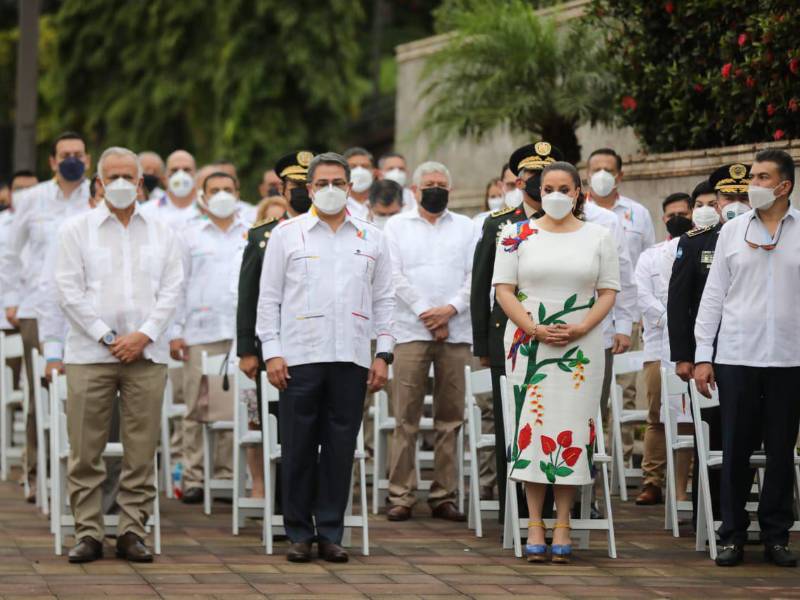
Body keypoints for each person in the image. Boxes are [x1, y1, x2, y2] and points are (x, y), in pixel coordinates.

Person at [256, 152, 394, 563]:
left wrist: (383, 352)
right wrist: (272, 353)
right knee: (297, 447)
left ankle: (331, 531)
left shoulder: (372, 237)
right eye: (322, 184)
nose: (330, 190)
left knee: (339, 448)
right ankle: (298, 532)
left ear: (350, 188)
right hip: (299, 356)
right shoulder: (287, 235)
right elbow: (269, 299)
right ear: (309, 189)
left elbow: (385, 301)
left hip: (351, 357)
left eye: (338, 182)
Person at [54, 146, 183, 563]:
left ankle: (132, 530)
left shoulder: (163, 232)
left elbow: (172, 290)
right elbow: (68, 292)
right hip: (90, 355)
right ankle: (88, 533)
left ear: (141, 183)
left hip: (146, 356)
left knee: (141, 450)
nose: (123, 184)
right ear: (100, 182)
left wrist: (142, 335)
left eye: (131, 177)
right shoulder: (76, 230)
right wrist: (110, 337)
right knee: (85, 451)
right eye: (114, 177)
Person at [493, 161, 620, 563]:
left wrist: (582, 327)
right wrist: (532, 327)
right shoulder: (515, 234)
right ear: (537, 190)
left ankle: (563, 520)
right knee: (532, 430)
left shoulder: (600, 235)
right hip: (529, 346)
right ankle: (534, 522)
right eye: (548, 187)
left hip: (580, 350)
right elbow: (504, 290)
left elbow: (608, 291)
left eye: (565, 187)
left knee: (571, 430)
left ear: (579, 191)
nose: (556, 195)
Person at [694, 149, 799, 568]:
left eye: (761, 177)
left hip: (790, 359)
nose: (753, 184)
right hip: (737, 355)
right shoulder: (732, 232)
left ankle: (776, 536)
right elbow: (713, 296)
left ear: (784, 186)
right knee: (735, 449)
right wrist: (704, 355)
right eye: (752, 175)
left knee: (780, 452)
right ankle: (732, 534)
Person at [470, 141, 562, 521]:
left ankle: (556, 507)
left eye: (545, 175)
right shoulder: (499, 223)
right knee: (512, 423)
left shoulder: (568, 221)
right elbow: (481, 286)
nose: (537, 182)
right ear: (518, 180)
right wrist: (482, 344)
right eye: (530, 176)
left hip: (557, 335)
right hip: (506, 335)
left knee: (553, 420)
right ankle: (516, 512)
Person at [0, 131, 92, 501]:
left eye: (78, 154)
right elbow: (9, 253)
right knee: (40, 394)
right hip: (39, 308)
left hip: (85, 312)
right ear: (53, 161)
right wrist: (12, 300)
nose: (72, 159)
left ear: (87, 159)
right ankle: (36, 472)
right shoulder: (30, 200)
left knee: (85, 392)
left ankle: (78, 476)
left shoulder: (96, 199)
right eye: (65, 154)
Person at [383, 161, 474, 523]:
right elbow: (393, 276)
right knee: (405, 416)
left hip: (456, 330)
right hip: (409, 330)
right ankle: (401, 495)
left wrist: (449, 310)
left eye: (441, 183)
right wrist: (426, 312)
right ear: (415, 190)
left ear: (449, 190)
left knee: (450, 418)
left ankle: (443, 494)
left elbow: (474, 275)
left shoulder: (467, 227)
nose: (435, 188)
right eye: (429, 184)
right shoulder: (396, 226)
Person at [668, 166, 752, 528]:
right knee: (716, 434)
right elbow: (679, 303)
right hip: (712, 357)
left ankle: (746, 511)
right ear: (716, 202)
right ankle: (713, 514)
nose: (733, 205)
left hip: (758, 353)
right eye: (727, 198)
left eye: (741, 197)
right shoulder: (696, 241)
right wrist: (685, 355)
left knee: (756, 436)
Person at [237, 150, 314, 505]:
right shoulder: (263, 236)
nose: (299, 191)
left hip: (317, 344)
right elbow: (249, 295)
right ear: (282, 191)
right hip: (275, 349)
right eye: (293, 185)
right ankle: (284, 507)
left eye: (304, 185)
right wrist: (248, 350)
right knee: (280, 429)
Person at [169, 171, 249, 504]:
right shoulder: (189, 236)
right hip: (198, 332)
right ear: (202, 195)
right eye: (214, 190)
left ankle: (226, 475)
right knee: (194, 408)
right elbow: (177, 285)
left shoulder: (251, 231)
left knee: (232, 407)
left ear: (238, 192)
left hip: (238, 332)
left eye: (227, 189)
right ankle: (193, 476)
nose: (221, 195)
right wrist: (175, 331)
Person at [587, 147, 654, 463]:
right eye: (595, 168)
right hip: (588, 321)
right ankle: (596, 460)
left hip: (624, 316)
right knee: (592, 400)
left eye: (608, 169)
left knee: (626, 391)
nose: (601, 174)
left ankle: (623, 458)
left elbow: (639, 268)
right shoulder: (578, 213)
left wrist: (630, 322)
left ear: (620, 175)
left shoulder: (637, 214)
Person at [634, 192, 694, 506]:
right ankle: (652, 481)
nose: (677, 219)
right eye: (672, 215)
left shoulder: (703, 251)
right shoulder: (650, 256)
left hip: (698, 350)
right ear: (664, 219)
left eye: (684, 213)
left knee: (694, 418)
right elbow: (643, 296)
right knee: (657, 416)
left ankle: (691, 483)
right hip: (659, 347)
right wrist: (675, 320)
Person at [140, 149, 201, 230]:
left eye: (187, 170)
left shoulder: (208, 211)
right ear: (164, 176)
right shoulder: (146, 212)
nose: (180, 175)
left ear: (196, 174)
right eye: (174, 170)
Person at [343, 147, 376, 219]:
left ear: (373, 172)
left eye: (365, 166)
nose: (359, 171)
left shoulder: (383, 201)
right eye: (353, 167)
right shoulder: (336, 205)